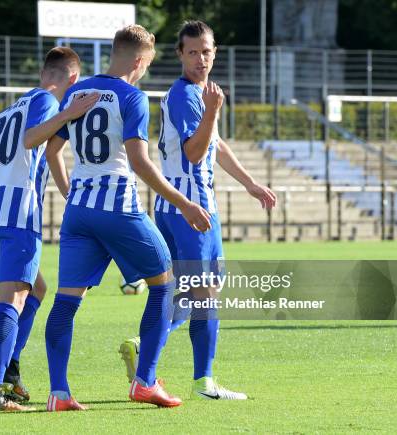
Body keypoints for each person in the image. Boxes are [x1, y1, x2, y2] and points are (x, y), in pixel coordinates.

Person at [44, 24, 212, 412]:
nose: (143, 72)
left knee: (66, 301)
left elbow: (53, 152)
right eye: (146, 65)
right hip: (118, 209)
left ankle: (59, 393)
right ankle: (145, 381)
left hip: (77, 213)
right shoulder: (131, 96)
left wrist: (70, 191)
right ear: (138, 61)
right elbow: (138, 162)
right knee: (165, 283)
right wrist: (184, 203)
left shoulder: (78, 92)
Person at [119, 20, 277, 400]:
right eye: (192, 52)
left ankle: (146, 353)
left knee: (184, 292)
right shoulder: (188, 96)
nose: (201, 59)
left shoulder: (199, 94)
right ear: (180, 55)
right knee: (204, 294)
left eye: (206, 51)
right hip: (193, 208)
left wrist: (250, 183)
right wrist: (211, 112)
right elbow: (194, 152)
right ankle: (203, 381)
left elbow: (216, 146)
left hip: (175, 206)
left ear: (215, 51)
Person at [0, 46, 99, 412]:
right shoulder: (49, 104)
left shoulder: (8, 110)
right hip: (18, 215)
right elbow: (32, 140)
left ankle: (11, 369)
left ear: (42, 73)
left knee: (36, 287)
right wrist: (70, 112)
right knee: (14, 298)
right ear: (72, 79)